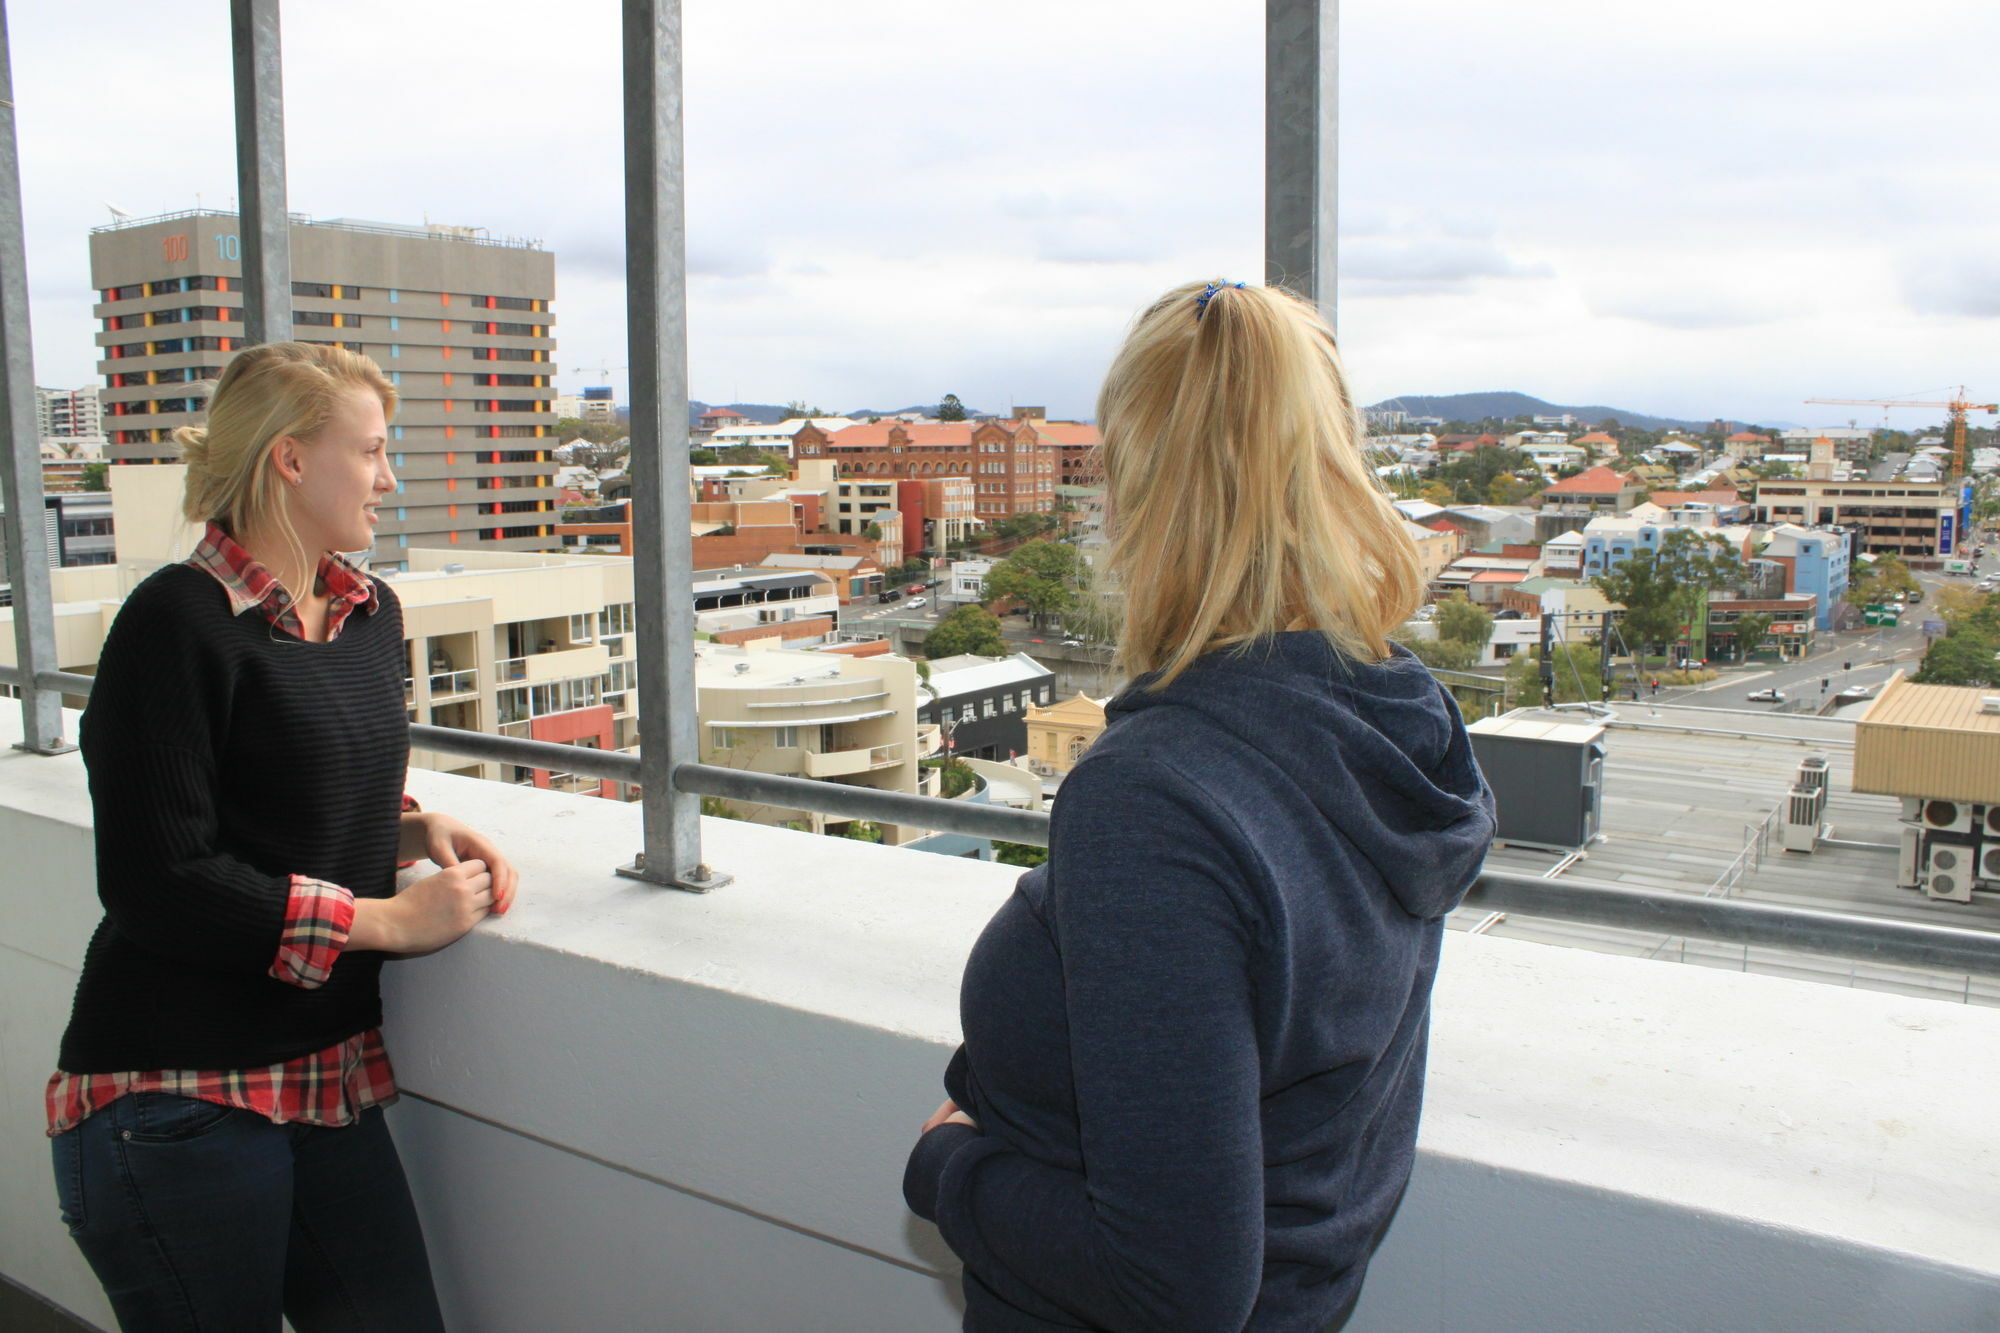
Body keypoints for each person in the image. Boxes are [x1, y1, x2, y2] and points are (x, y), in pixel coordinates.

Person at [903, 281, 1496, 1331]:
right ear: (1336, 457)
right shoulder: (1394, 723)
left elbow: (1175, 1289)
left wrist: (946, 1166)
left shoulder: (1156, 797)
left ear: (1132, 483)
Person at [46, 342, 520, 1331]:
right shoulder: (174, 622)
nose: (388, 480)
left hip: (323, 1079)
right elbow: (158, 880)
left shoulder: (367, 615)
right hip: (178, 1092)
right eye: (372, 451)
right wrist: (388, 921)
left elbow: (268, 802)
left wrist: (405, 830)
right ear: (290, 459)